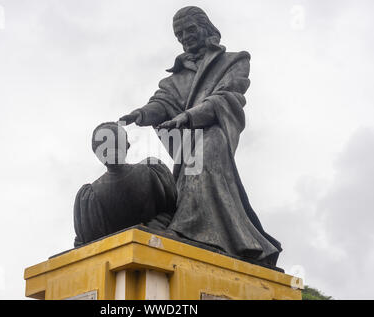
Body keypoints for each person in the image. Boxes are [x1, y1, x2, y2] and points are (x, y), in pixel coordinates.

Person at [119, 6, 282, 266]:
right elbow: (162, 102)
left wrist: (190, 116)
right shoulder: (174, 79)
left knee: (201, 160)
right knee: (190, 169)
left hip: (216, 130)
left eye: (190, 29)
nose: (185, 36)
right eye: (179, 33)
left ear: (205, 27)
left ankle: (186, 229)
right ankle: (215, 235)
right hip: (188, 141)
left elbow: (229, 94)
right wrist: (141, 114)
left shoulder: (234, 60)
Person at [73, 122, 177, 247]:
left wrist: (154, 228)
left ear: (126, 146)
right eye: (102, 147)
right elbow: (87, 244)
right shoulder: (89, 197)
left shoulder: (152, 171)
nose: (109, 150)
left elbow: (175, 209)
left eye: (114, 143)